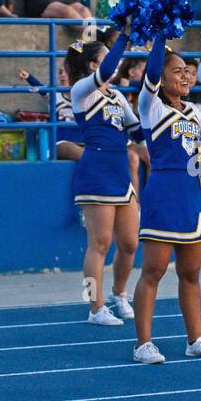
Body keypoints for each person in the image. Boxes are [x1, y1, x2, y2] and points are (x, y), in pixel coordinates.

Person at [130, 32, 201, 364]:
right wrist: (160, 35)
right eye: (177, 71)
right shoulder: (151, 106)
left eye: (188, 70)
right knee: (154, 270)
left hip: (190, 196)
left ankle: (195, 339)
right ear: (160, 78)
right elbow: (152, 71)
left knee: (191, 272)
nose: (185, 76)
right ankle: (144, 343)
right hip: (162, 193)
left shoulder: (196, 113)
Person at [68, 33, 140, 327]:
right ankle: (94, 306)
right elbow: (109, 70)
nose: (116, 60)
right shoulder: (81, 91)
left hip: (120, 169)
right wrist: (125, 35)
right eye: (107, 56)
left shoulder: (118, 96)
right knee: (99, 243)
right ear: (92, 65)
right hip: (95, 169)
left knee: (130, 243)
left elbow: (137, 133)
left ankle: (118, 294)